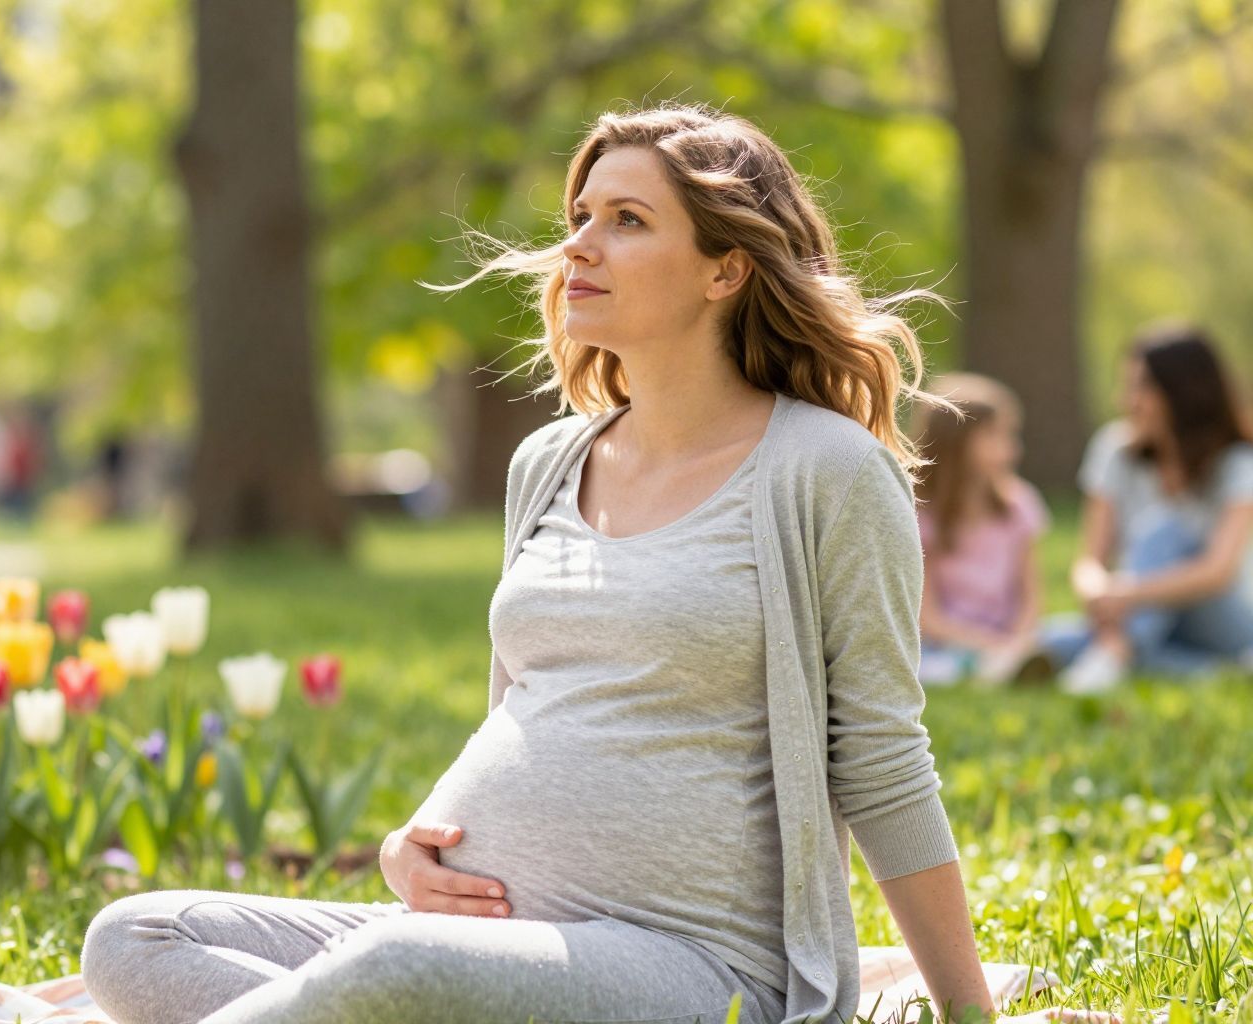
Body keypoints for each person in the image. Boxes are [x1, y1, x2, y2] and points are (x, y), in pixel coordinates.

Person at [80, 103, 1119, 1024]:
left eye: (627, 220)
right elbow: (527, 709)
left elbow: (884, 759)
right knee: (134, 937)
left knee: (398, 968)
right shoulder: (548, 460)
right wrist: (414, 844)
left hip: (700, 967)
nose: (578, 245)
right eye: (580, 215)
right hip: (491, 937)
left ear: (727, 266)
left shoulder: (826, 470)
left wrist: (970, 1015)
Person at [1043, 322, 1253, 695]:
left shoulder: (1237, 463)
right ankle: (1221, 671)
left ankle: (1114, 650)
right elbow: (1089, 559)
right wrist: (1097, 590)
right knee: (1051, 640)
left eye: (1142, 387)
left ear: (1184, 392)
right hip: (1143, 615)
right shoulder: (1114, 451)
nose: (1128, 400)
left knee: (1165, 531)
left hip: (1223, 618)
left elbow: (1217, 572)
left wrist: (1128, 594)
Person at [910, 373, 1054, 688]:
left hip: (1009, 636)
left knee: (1068, 637)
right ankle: (996, 669)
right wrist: (993, 646)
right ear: (955, 443)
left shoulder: (1020, 505)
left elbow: (1031, 598)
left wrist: (1019, 639)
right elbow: (928, 618)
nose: (1011, 450)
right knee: (929, 668)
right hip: (947, 645)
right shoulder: (923, 517)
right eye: (995, 435)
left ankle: (1010, 666)